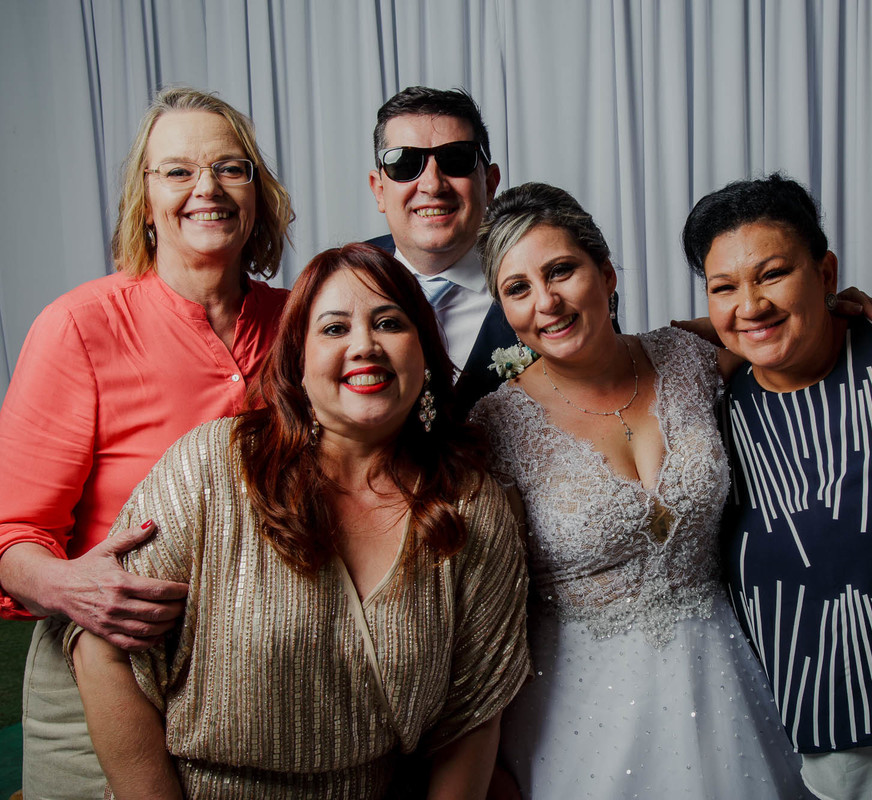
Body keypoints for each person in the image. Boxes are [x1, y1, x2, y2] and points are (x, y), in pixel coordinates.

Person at [68, 242, 531, 798]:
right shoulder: (214, 466)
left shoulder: (471, 505)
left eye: (389, 323)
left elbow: (474, 717)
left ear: (425, 354)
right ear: (298, 364)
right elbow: (104, 652)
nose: (365, 346)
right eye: (334, 329)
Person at [0, 86, 293, 798]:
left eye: (230, 168)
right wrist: (70, 585)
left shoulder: (305, 323)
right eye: (178, 171)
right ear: (144, 200)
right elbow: (10, 536)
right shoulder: (78, 327)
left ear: (257, 194)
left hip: (266, 679)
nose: (207, 188)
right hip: (102, 667)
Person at [470, 181, 806, 798]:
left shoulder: (688, 358)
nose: (546, 302)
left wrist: (839, 305)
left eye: (561, 270)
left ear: (605, 274)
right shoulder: (494, 428)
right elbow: (486, 614)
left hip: (725, 677)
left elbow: (772, 328)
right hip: (578, 713)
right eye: (517, 289)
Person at [681, 174, 872, 800]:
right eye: (724, 287)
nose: (751, 304)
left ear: (826, 272)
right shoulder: (711, 411)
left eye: (774, 274)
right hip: (793, 726)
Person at [365, 86, 512, 409]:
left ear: (489, 184)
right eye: (405, 163)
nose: (432, 185)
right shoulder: (344, 278)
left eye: (456, 159)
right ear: (379, 190)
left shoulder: (547, 283)